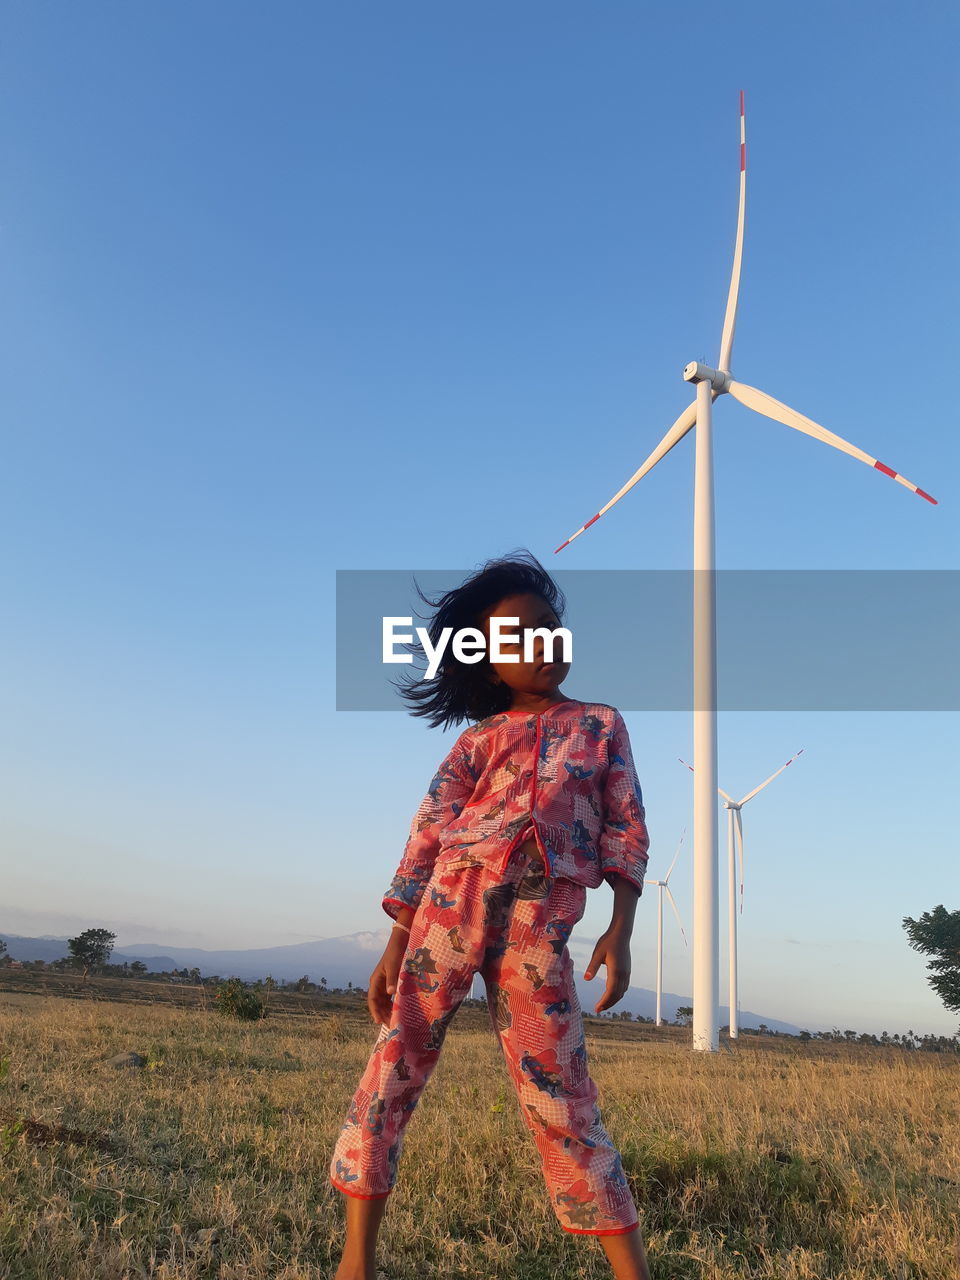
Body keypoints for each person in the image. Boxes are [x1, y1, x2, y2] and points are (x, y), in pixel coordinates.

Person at [329, 552, 653, 1280]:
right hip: (449, 909)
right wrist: (395, 941)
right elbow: (428, 835)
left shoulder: (602, 726)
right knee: (393, 1071)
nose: (541, 644)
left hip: (542, 927)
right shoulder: (475, 741)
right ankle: (357, 1263)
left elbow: (625, 825)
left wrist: (621, 926)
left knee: (564, 1099)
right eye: (517, 639)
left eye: (548, 627)